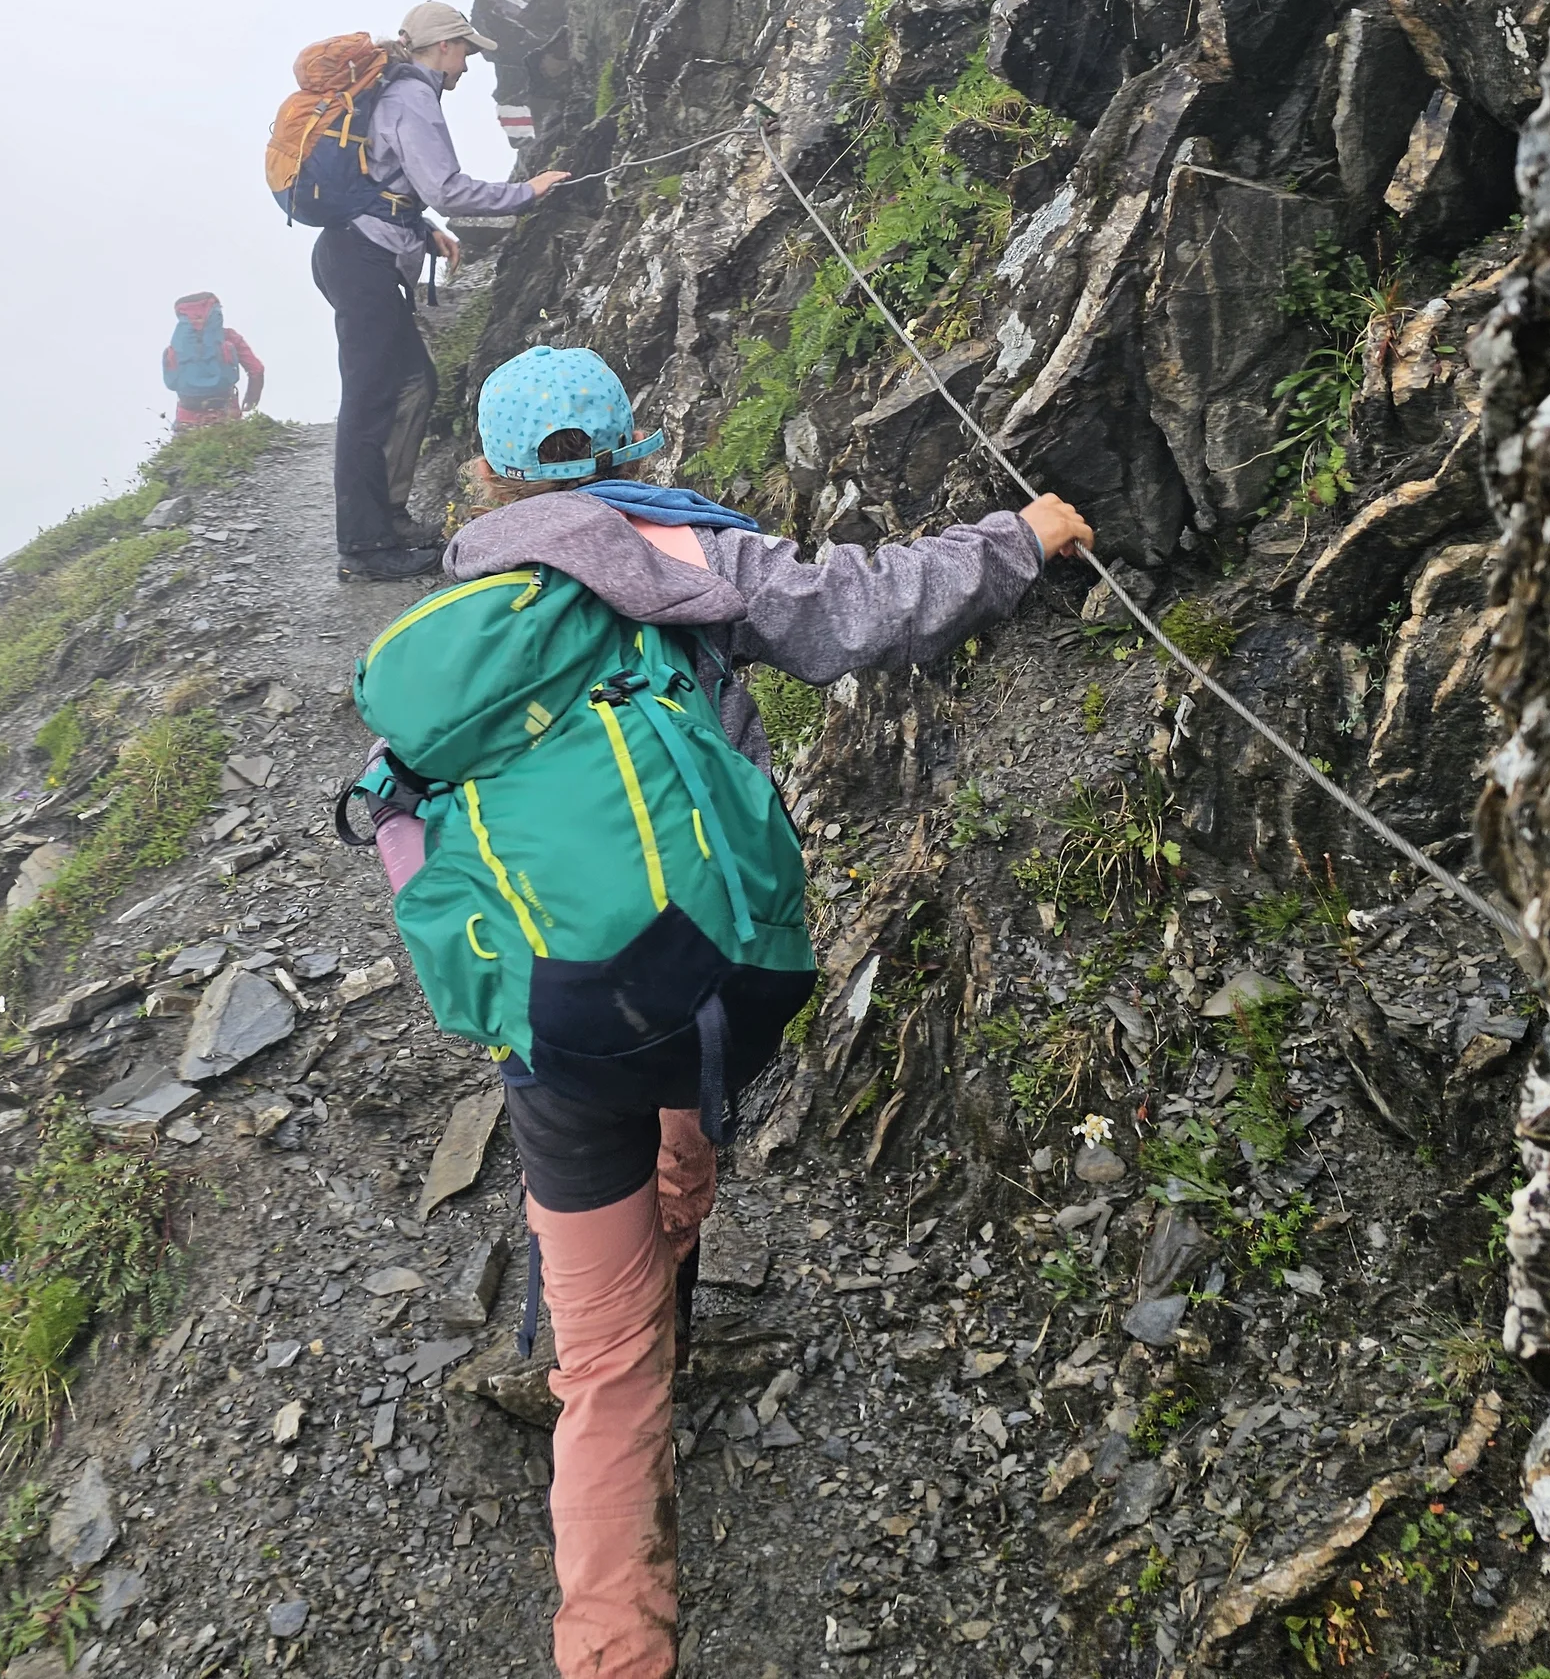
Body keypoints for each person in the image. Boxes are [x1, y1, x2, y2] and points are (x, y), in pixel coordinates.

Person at [356, 346, 1092, 1679]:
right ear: (633, 443)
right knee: (689, 1136)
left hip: (556, 1024)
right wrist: (1018, 539)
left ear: (490, 475)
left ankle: (610, 1578)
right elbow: (864, 607)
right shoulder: (690, 561)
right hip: (709, 981)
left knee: (607, 1370)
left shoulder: (469, 621)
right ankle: (671, 1276)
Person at [312, 0, 569, 583]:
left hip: (356, 251)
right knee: (371, 401)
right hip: (362, 261)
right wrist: (527, 192)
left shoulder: (396, 90)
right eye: (467, 52)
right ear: (444, 47)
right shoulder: (413, 97)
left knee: (411, 385)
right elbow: (447, 189)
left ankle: (388, 519)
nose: (469, 65)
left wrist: (421, 230)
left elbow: (385, 179)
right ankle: (364, 545)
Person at [161, 292, 264, 430]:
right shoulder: (229, 337)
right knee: (231, 447)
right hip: (226, 412)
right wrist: (251, 399)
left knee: (186, 449)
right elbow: (257, 370)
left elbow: (171, 381)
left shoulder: (177, 346)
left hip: (187, 417)